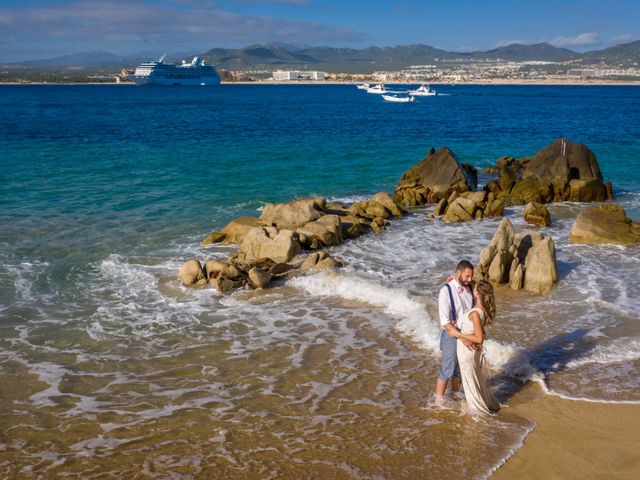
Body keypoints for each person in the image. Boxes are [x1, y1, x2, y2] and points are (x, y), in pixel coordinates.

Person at [448, 280, 501, 414]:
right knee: (475, 379)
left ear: (477, 293)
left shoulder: (475, 313)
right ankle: (484, 403)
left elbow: (479, 337)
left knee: (470, 382)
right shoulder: (482, 310)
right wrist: (454, 278)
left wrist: (457, 333)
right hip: (471, 350)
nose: (472, 289)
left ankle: (478, 411)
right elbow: (479, 332)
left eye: (474, 288)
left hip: (467, 352)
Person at [435, 260, 475, 402]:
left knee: (460, 370)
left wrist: (468, 336)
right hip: (451, 335)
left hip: (466, 334)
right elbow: (445, 322)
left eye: (471, 277)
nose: (469, 280)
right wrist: (462, 338)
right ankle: (438, 401)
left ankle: (455, 395)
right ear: (458, 273)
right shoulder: (446, 290)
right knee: (447, 370)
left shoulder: (469, 287)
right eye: (467, 276)